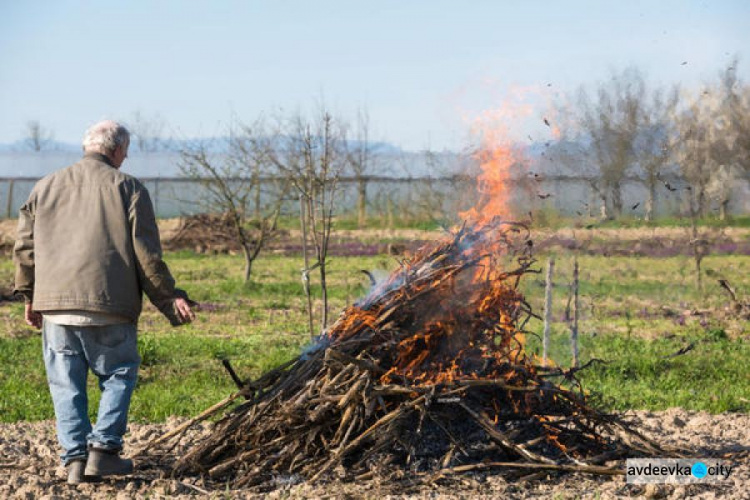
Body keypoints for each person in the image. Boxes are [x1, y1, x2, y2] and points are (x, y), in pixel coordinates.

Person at [13, 120, 196, 485]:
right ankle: (104, 451)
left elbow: (25, 248)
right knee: (119, 373)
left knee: (66, 385)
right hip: (110, 304)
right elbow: (146, 254)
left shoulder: (45, 186)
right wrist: (169, 297)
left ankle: (75, 462)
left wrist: (30, 296)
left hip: (57, 308)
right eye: (125, 152)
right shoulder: (128, 188)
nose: (125, 158)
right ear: (115, 150)